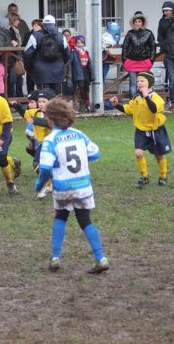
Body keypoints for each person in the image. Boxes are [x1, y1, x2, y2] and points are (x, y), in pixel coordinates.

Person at [34, 97, 109, 274]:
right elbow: (96, 153)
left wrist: (39, 185)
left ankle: (55, 258)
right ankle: (101, 258)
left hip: (62, 187)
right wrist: (84, 158)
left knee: (60, 217)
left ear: (50, 119)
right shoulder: (79, 134)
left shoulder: (50, 140)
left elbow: (44, 168)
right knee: (85, 220)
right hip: (82, 185)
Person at [109, 71, 172, 188]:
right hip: (141, 131)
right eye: (138, 81)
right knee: (138, 153)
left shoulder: (157, 98)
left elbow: (153, 109)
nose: (139, 83)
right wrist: (116, 105)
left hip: (155, 131)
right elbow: (128, 109)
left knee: (159, 155)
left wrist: (146, 96)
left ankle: (163, 176)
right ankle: (145, 176)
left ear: (150, 84)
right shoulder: (136, 98)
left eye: (142, 80)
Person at [23, 15, 69, 95]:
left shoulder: (35, 35)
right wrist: (62, 66)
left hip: (41, 72)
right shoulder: (61, 36)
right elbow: (67, 55)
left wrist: (30, 69)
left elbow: (27, 54)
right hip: (58, 72)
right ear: (54, 24)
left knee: (43, 99)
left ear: (43, 24)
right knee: (57, 100)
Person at [121, 11, 156, 97]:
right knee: (133, 84)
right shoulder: (130, 33)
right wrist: (125, 60)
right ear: (133, 22)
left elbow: (153, 47)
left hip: (144, 61)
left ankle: (144, 102)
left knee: (144, 84)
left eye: (139, 21)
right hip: (131, 62)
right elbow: (125, 47)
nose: (137, 23)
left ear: (143, 22)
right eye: (135, 21)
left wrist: (151, 60)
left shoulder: (149, 33)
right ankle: (133, 104)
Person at [67, 35, 86, 113]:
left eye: (81, 42)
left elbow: (89, 64)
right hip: (76, 75)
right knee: (75, 92)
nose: (79, 44)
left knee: (83, 92)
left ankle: (82, 108)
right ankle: (74, 108)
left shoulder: (85, 52)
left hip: (84, 74)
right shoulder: (73, 52)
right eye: (77, 42)